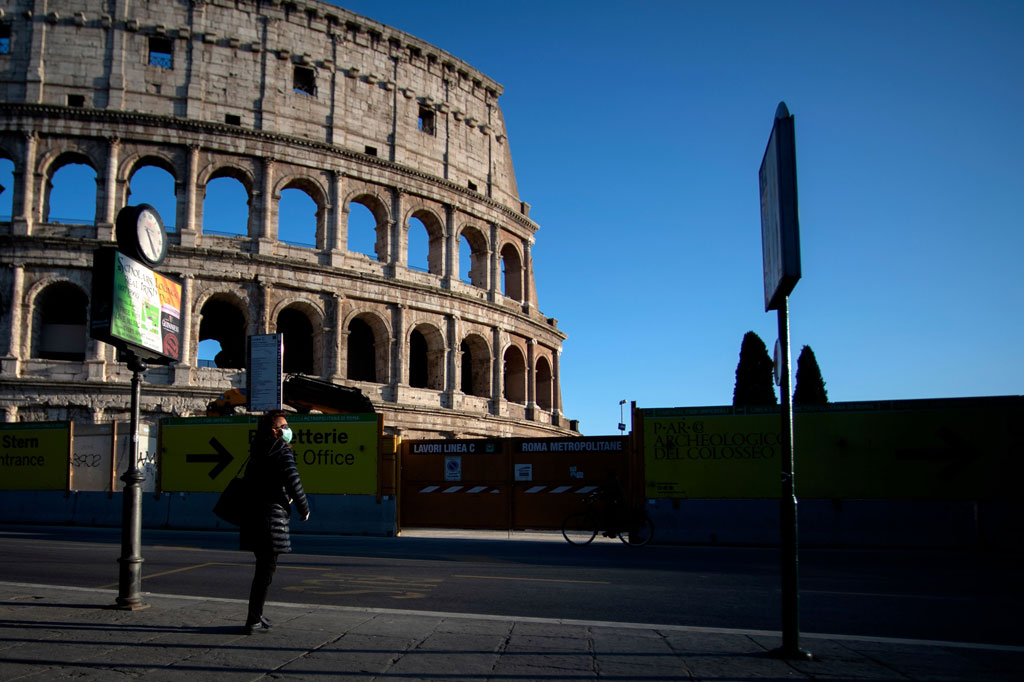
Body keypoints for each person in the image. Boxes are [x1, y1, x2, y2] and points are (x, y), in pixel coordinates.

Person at [240, 409, 310, 634]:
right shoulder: (281, 450)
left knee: (263, 569)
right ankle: (253, 621)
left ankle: (256, 616)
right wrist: (304, 508)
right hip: (271, 518)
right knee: (266, 571)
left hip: (253, 515)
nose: (288, 430)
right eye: (284, 426)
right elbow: (293, 481)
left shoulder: (257, 451)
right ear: (275, 431)